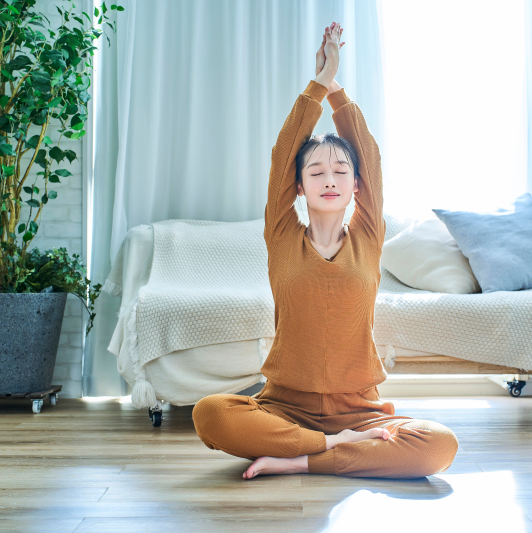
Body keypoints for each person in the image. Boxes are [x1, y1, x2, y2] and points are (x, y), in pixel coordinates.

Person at [192, 22, 459, 480]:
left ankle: (301, 460)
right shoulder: (282, 235)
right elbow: (282, 155)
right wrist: (317, 85)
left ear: (356, 186)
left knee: (439, 446)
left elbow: (369, 158)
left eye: (340, 171)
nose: (330, 179)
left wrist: (337, 89)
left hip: (360, 412)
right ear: (299, 186)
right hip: (282, 408)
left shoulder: (368, 235)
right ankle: (332, 450)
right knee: (210, 413)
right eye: (316, 172)